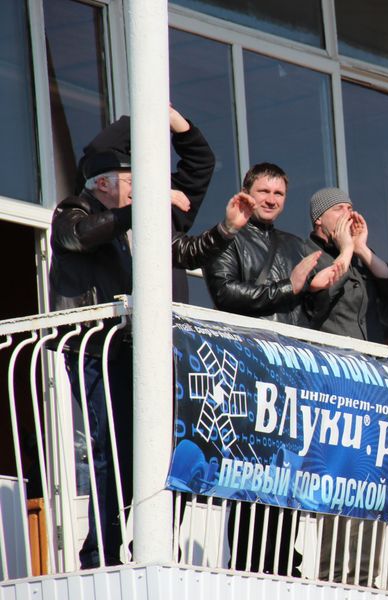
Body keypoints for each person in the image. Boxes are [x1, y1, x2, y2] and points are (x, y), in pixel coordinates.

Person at [49, 109, 254, 569]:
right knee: (114, 451)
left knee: (172, 451)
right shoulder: (75, 208)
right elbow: (81, 238)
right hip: (100, 350)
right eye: (132, 179)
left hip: (154, 352)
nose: (144, 186)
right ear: (103, 184)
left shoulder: (146, 218)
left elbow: (186, 240)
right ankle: (99, 552)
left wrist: (226, 228)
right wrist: (139, 206)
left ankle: (154, 543)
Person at [204, 164, 343, 326]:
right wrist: (288, 287)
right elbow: (224, 293)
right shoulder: (224, 237)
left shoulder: (296, 245)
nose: (271, 200)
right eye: (264, 191)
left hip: (292, 347)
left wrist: (316, 291)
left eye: (278, 194)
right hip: (249, 345)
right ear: (244, 193)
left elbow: (313, 316)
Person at [303, 187, 388, 343]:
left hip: (371, 359)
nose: (348, 214)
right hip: (333, 358)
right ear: (318, 219)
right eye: (339, 209)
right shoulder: (305, 253)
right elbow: (316, 306)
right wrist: (345, 251)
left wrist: (361, 249)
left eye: (350, 208)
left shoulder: (359, 256)